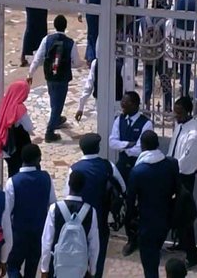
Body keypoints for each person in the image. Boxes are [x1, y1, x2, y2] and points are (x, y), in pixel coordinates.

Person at [69, 133, 126, 278]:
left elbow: (68, 197)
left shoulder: (74, 169)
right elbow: (123, 188)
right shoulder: (108, 166)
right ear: (98, 148)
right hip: (101, 221)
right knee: (98, 258)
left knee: (79, 258)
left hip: (79, 222)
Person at [127, 130, 179, 278]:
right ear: (157, 144)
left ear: (142, 146)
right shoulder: (171, 164)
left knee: (149, 264)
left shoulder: (138, 171)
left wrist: (129, 223)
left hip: (147, 223)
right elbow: (177, 190)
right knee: (155, 251)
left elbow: (130, 202)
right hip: (166, 218)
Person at [110, 91, 151, 256]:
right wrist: (128, 144)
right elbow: (112, 142)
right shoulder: (119, 120)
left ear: (135, 105)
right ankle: (130, 237)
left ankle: (143, 237)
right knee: (125, 202)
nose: (122, 106)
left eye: (125, 104)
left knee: (141, 203)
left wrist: (125, 147)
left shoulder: (146, 123)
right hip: (122, 169)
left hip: (139, 167)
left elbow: (141, 148)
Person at [3, 143, 52, 278]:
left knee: (12, 266)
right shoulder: (46, 178)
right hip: (38, 232)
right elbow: (52, 203)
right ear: (38, 160)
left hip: (18, 233)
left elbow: (7, 211)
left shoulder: (13, 182)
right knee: (31, 268)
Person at [40, 170, 100, 278]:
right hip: (80, 269)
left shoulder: (55, 208)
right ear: (83, 186)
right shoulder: (91, 211)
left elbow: (46, 241)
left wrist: (44, 269)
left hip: (57, 267)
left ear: (69, 184)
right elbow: (94, 245)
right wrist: (92, 269)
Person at [166, 97, 197, 268]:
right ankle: (182, 243)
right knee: (177, 214)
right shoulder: (179, 126)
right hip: (174, 174)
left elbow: (185, 161)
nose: (176, 115)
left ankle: (192, 255)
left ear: (188, 112)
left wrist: (171, 172)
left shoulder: (194, 134)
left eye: (179, 112)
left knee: (185, 215)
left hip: (184, 178)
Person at [28, 14, 77, 142]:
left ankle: (57, 119)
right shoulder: (70, 43)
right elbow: (76, 62)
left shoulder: (47, 40)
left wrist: (30, 74)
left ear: (54, 25)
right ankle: (50, 132)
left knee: (53, 98)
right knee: (58, 103)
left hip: (50, 75)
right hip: (63, 77)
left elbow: (38, 58)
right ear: (65, 27)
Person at [0, 80, 35, 174]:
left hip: (6, 144)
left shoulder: (5, 103)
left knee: (11, 170)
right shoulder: (19, 108)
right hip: (19, 145)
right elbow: (29, 127)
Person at [82, 0, 102, 64]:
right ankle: (98, 55)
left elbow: (83, 0)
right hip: (101, 11)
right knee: (99, 33)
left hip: (90, 12)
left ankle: (91, 57)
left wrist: (81, 13)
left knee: (91, 34)